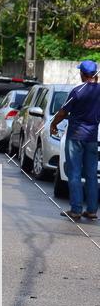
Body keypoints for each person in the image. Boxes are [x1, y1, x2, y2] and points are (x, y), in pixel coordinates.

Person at [50, 59, 100, 221]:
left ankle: (76, 209)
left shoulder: (77, 91)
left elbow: (63, 112)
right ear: (95, 75)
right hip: (92, 137)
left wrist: (53, 124)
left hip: (75, 136)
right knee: (92, 174)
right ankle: (92, 210)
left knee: (75, 173)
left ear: (82, 74)